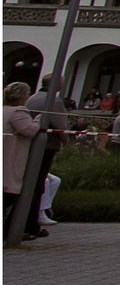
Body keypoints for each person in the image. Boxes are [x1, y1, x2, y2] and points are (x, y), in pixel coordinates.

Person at [20, 81, 68, 239]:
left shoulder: (32, 98)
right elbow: (60, 123)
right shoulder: (54, 100)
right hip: (47, 144)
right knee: (38, 183)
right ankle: (31, 223)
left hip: (31, 144)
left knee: (33, 182)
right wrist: (64, 139)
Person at [4, 83, 42, 235]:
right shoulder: (18, 112)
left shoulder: (3, 110)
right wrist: (38, 120)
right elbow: (29, 130)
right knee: (8, 192)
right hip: (12, 156)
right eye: (27, 94)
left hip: (6, 153)